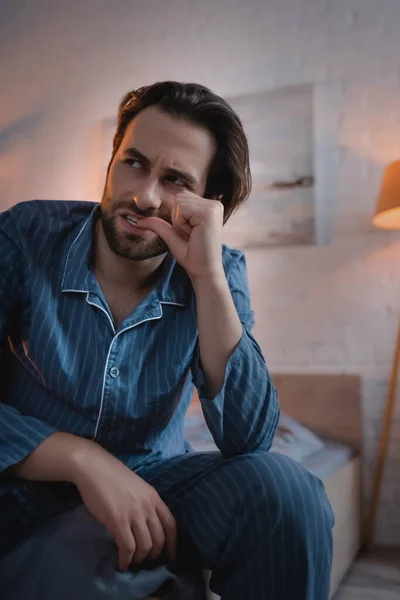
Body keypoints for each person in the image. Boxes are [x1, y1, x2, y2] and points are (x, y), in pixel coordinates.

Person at [0, 81, 334, 600]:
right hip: (22, 485)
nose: (145, 196)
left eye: (175, 179)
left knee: (287, 492)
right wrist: (80, 459)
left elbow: (247, 442)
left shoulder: (220, 272)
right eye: (133, 162)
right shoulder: (26, 235)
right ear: (111, 162)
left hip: (159, 488)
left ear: (208, 203)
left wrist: (208, 279)